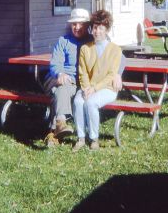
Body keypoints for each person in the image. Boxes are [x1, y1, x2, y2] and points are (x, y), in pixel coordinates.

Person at [43, 8, 123, 148]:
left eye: (81, 24)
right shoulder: (63, 41)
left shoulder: (93, 39)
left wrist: (118, 74)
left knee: (64, 91)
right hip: (60, 78)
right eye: (74, 24)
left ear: (87, 25)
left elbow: (119, 57)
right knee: (61, 88)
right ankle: (59, 125)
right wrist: (59, 73)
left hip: (79, 83)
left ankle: (55, 131)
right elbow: (55, 63)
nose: (77, 27)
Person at [72, 10, 122, 151]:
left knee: (91, 102)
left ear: (107, 30)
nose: (97, 31)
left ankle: (94, 139)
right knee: (78, 101)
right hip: (88, 88)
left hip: (107, 88)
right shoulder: (85, 49)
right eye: (95, 27)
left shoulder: (115, 50)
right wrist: (87, 88)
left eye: (101, 28)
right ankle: (81, 137)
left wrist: (94, 89)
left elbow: (111, 75)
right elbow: (82, 72)